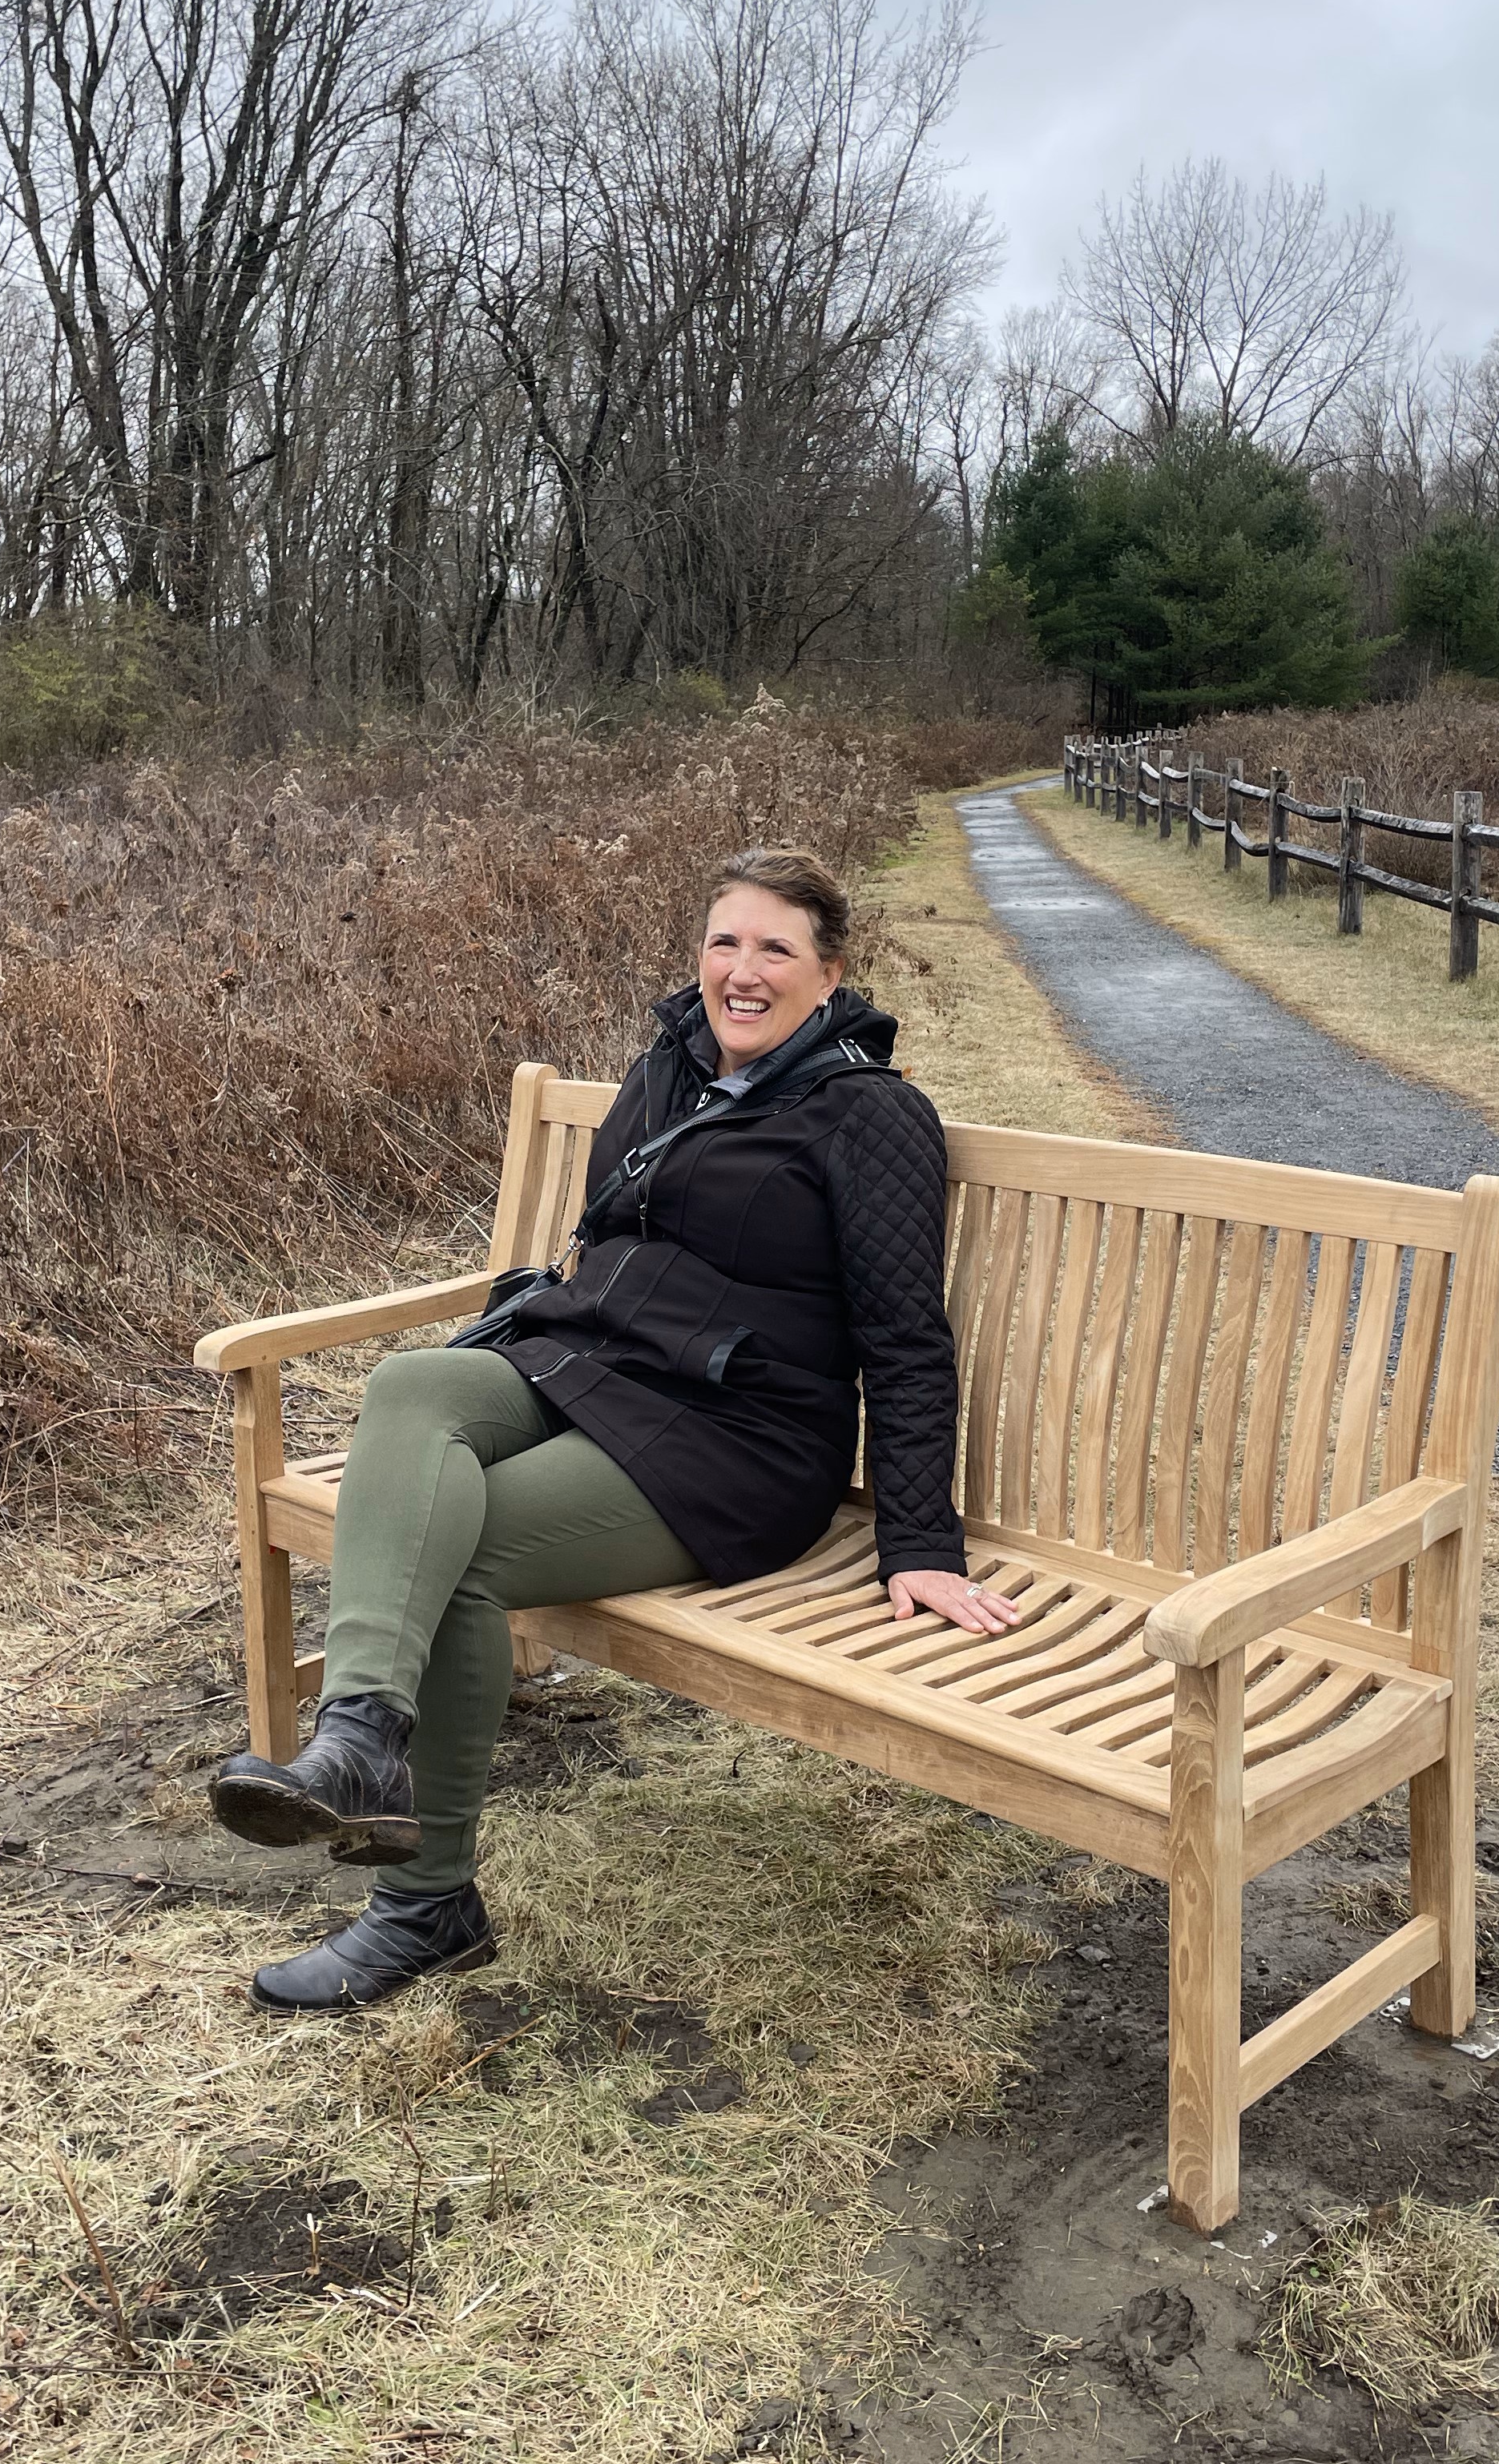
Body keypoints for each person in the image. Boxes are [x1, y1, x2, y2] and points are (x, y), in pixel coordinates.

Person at [211, 844, 1019, 2011]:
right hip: (590, 1365)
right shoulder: (669, 1067)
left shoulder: (871, 1117)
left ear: (831, 977)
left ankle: (422, 1904)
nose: (741, 972)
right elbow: (616, 1241)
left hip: (734, 1440)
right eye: (723, 942)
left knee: (472, 1557)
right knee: (412, 1388)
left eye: (775, 949)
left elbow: (905, 1338)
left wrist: (923, 1546)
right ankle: (361, 1737)